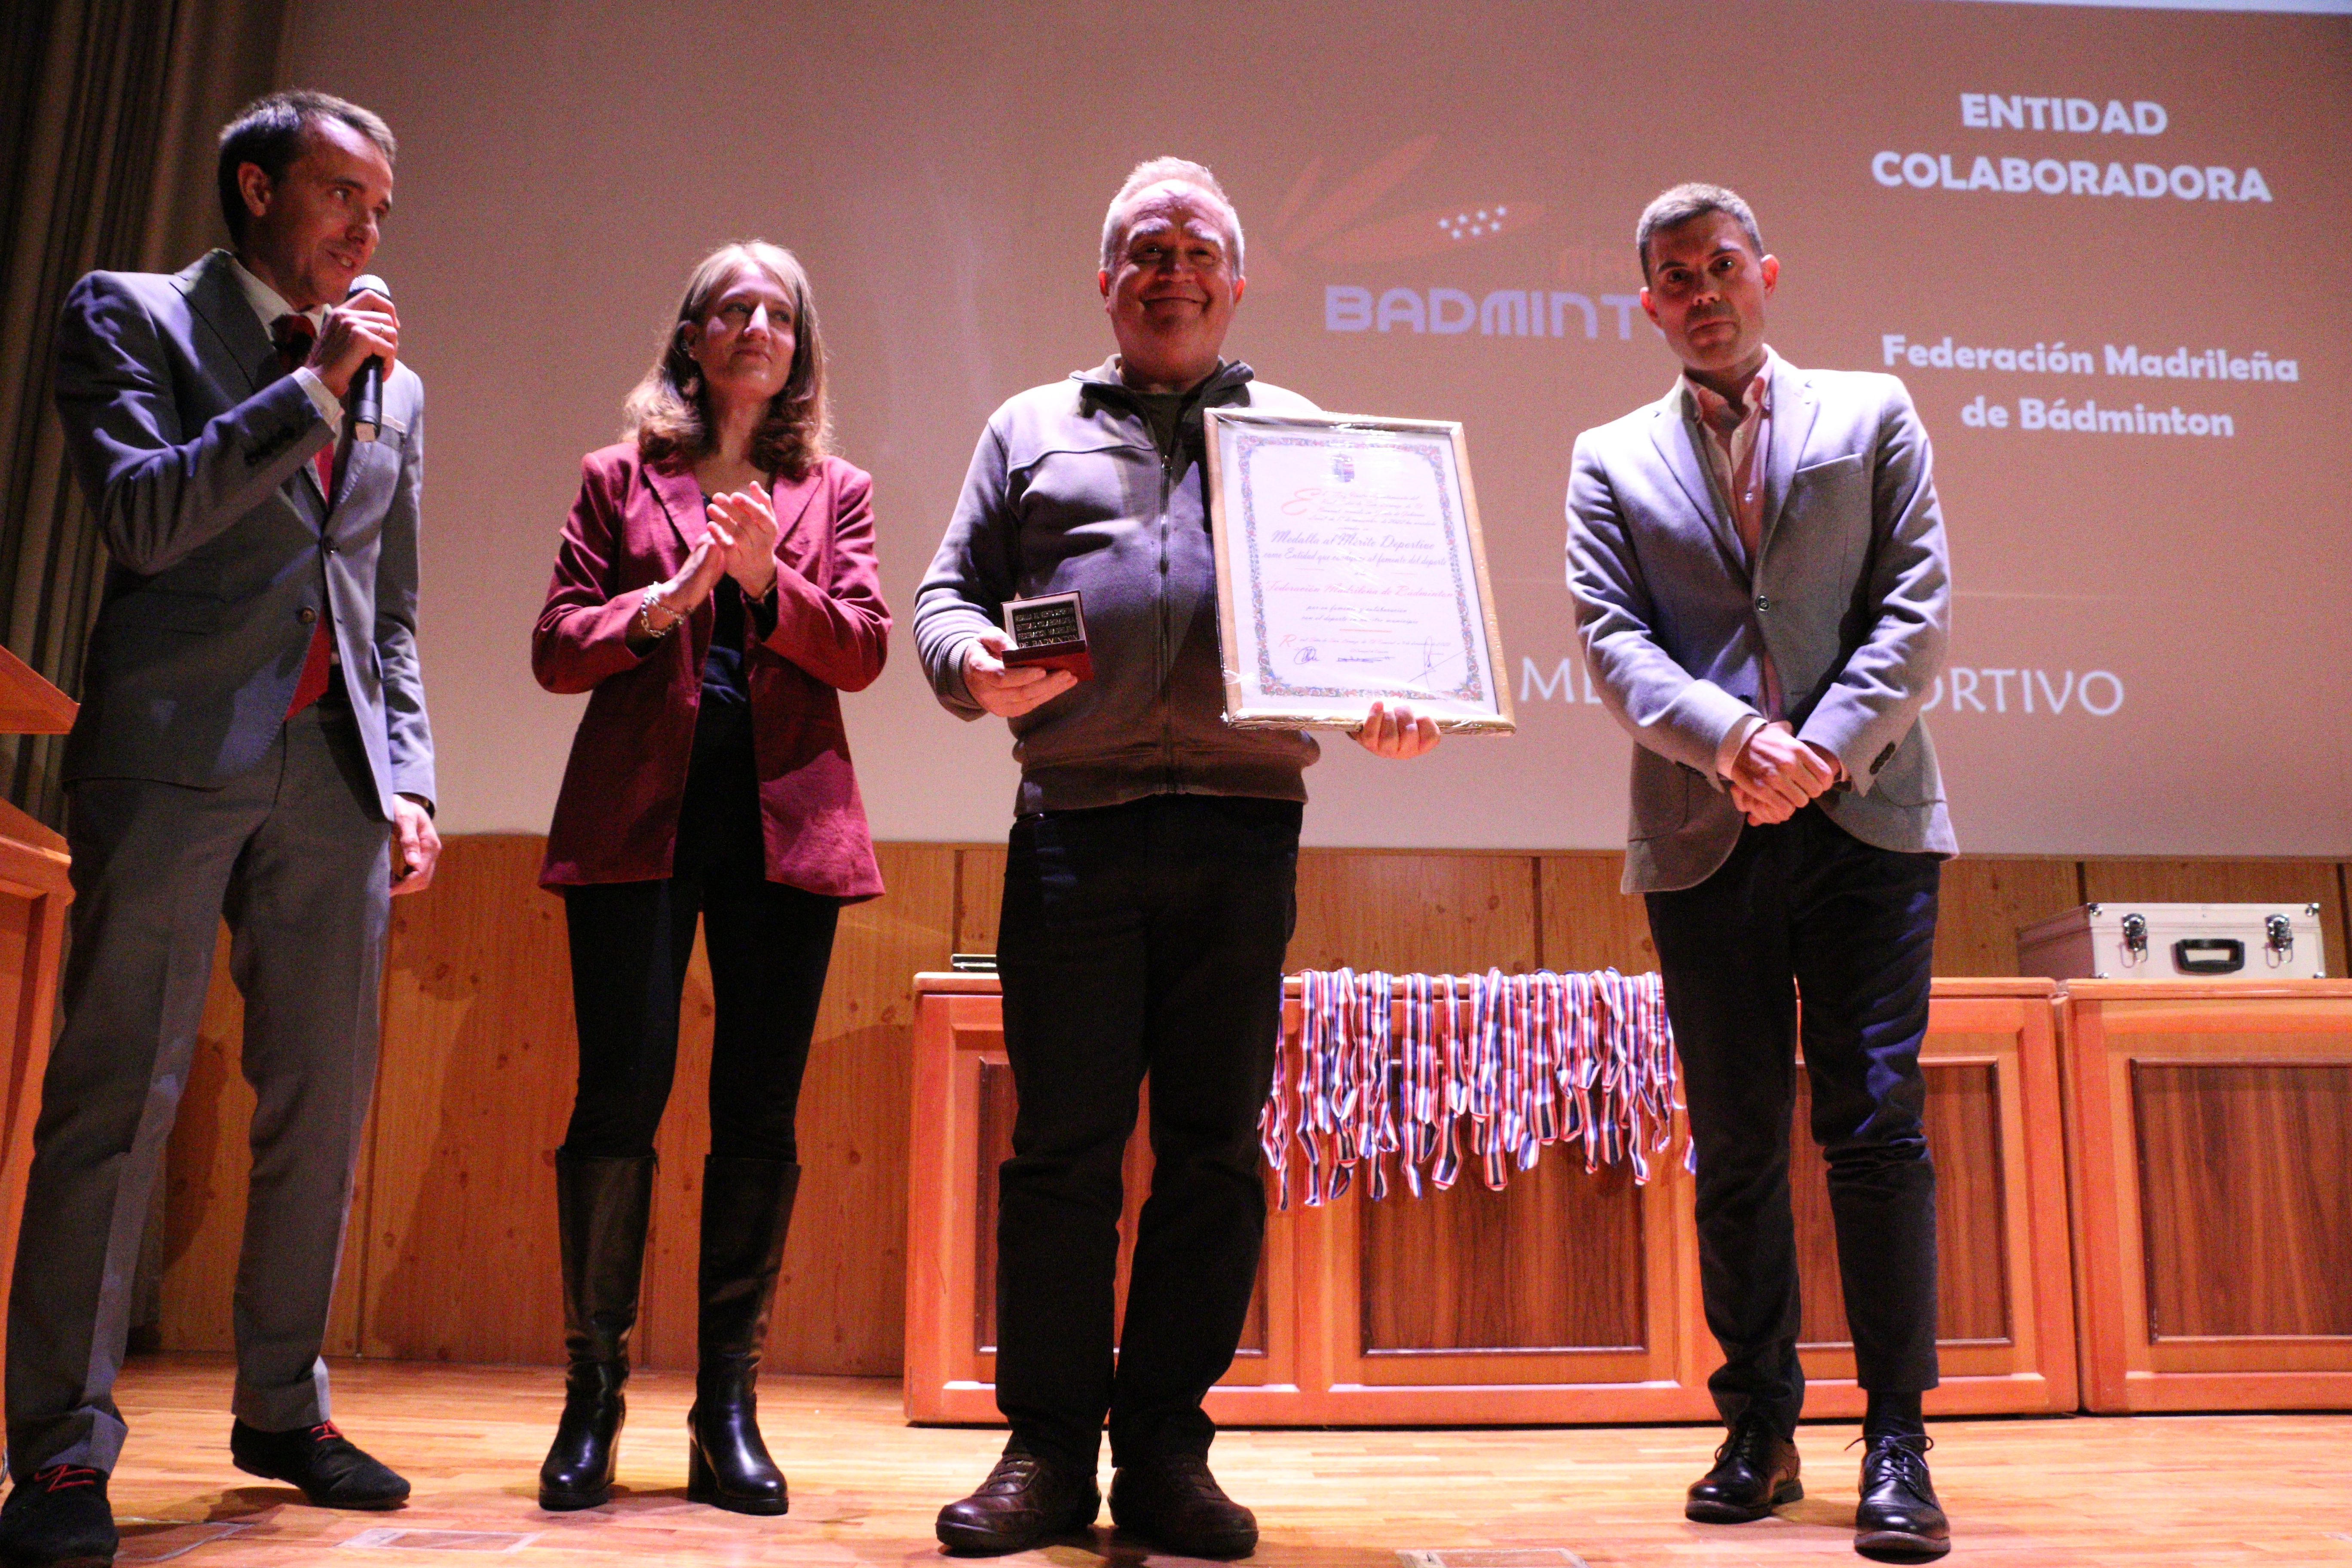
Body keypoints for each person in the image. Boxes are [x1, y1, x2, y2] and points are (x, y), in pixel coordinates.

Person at [914, 157, 1440, 1559]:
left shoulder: (1302, 435)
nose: (1174, 270)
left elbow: (1372, 618)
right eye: (1146, 250)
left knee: (1213, 1157)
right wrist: (965, 660)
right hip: (1073, 830)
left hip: (1242, 829)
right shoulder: (1029, 426)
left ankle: (1164, 1451)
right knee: (1061, 1157)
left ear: (1238, 280)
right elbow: (941, 595)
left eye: (1199, 248)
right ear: (1107, 281)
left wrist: (1392, 698)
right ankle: (1042, 1454)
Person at [0, 90, 439, 1568]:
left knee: (321, 1099)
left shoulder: (398, 381)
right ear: (255, 188)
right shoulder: (129, 319)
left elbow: (387, 602)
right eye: (341, 197)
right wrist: (307, 391)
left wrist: (415, 777)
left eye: (382, 207)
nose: (368, 231)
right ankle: (62, 1451)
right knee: (117, 1094)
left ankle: (281, 1406)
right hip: (176, 759)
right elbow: (138, 518)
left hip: (333, 774)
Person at [1565, 183, 1957, 1561]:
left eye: (1721, 265)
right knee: (1735, 1142)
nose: (1703, 291)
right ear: (1652, 303)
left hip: (1864, 826)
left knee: (1878, 1126)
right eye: (1676, 277)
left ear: (1766, 273)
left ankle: (1898, 1439)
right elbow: (1611, 642)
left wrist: (1823, 750)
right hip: (1704, 833)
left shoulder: (1874, 412)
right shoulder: (1609, 454)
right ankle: (1760, 1428)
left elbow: (1917, 608)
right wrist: (1735, 740)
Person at [528, 241, 888, 1518]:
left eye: (778, 312)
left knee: (761, 1110)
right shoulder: (617, 478)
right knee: (618, 1098)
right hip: (641, 820)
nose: (754, 325)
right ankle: (593, 1401)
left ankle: (726, 1409)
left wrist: (763, 581)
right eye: (731, 308)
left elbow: (862, 652)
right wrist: (666, 601)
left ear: (799, 347)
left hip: (780, 829)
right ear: (691, 336)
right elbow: (556, 647)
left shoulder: (832, 490)